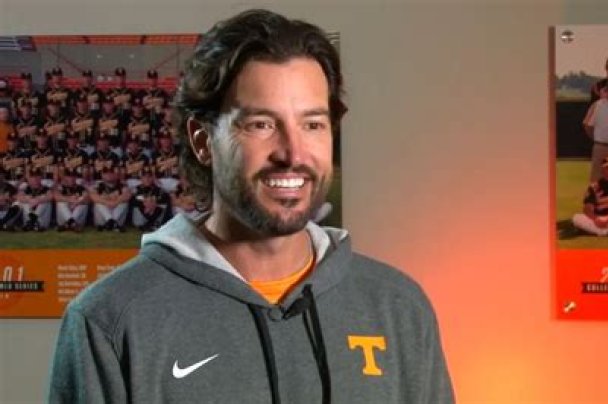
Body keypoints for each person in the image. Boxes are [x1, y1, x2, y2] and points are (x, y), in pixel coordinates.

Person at [48, 9, 454, 404]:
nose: (292, 153)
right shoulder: (111, 319)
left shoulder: (397, 306)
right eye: (261, 124)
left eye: (312, 124)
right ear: (203, 141)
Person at [572, 158, 608, 236]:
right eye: (606, 169)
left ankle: (598, 231)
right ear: (602, 170)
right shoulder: (594, 186)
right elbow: (587, 208)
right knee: (576, 218)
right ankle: (605, 231)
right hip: (597, 218)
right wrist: (596, 219)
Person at [89, 166, 130, 232]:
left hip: (117, 217)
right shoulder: (98, 185)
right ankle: (111, 222)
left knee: (124, 202)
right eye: (106, 173)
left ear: (116, 174)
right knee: (98, 203)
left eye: (111, 172)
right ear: (102, 175)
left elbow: (127, 195)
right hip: (102, 219)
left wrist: (115, 202)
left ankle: (110, 223)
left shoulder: (122, 185)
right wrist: (107, 202)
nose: (109, 175)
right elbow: (93, 196)